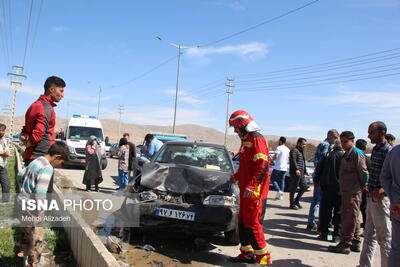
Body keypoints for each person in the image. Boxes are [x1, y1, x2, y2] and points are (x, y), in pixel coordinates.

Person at [228, 110, 271, 265]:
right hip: (245, 189)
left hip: (254, 191)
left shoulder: (257, 140)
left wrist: (252, 185)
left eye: (235, 128)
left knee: (253, 224)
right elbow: (246, 166)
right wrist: (235, 177)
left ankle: (263, 259)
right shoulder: (247, 140)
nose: (235, 131)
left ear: (243, 125)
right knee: (243, 222)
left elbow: (263, 166)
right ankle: (246, 254)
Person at [17, 141, 69, 267]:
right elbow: (40, 193)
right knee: (36, 243)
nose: (59, 165)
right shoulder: (47, 168)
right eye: (60, 162)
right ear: (57, 156)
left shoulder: (37, 160)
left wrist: (26, 188)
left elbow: (20, 175)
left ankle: (25, 260)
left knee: (26, 238)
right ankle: (33, 264)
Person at [329, 131, 369, 254]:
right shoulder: (346, 154)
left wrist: (364, 186)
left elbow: (364, 172)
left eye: (346, 141)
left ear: (352, 140)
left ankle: (345, 244)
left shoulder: (356, 153)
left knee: (348, 218)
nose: (343, 144)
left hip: (353, 191)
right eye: (342, 141)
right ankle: (355, 242)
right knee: (353, 217)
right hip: (346, 190)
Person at [359, 122, 392, 267]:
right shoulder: (376, 149)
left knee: (384, 239)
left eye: (371, 132)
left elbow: (394, 177)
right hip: (371, 199)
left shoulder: (389, 151)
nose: (368, 136)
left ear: (381, 133)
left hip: (382, 200)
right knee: (368, 236)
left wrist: (383, 190)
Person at [20, 76, 66, 166]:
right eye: (61, 91)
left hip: (32, 157)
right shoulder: (45, 107)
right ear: (52, 89)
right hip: (41, 158)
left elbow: (26, 130)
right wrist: (28, 144)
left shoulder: (34, 105)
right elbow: (38, 134)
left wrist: (24, 138)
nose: (63, 95)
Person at [307, 129, 339, 231]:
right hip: (321, 177)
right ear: (329, 135)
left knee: (319, 201)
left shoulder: (328, 145)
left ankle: (317, 222)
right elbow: (322, 162)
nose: (335, 139)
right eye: (334, 137)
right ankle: (312, 223)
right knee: (318, 200)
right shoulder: (325, 145)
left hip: (321, 176)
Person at [314, 141, 344, 242]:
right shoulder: (344, 156)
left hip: (327, 187)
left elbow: (319, 169)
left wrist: (316, 181)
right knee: (339, 212)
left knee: (325, 211)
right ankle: (337, 235)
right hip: (340, 189)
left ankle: (324, 233)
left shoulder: (327, 155)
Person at [380, 143, 400, 267]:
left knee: (396, 249)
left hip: (396, 208)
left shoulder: (393, 151)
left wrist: (395, 199)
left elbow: (384, 178)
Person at [289, 138, 308, 210]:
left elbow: (303, 162)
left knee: (304, 187)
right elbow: (293, 160)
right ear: (298, 143)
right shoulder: (294, 150)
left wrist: (305, 170)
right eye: (303, 144)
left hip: (302, 173)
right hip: (295, 173)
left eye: (305, 144)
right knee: (293, 188)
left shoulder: (301, 151)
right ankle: (291, 204)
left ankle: (296, 201)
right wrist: (297, 169)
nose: (304, 146)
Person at [356, 139, 370, 230]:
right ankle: (365, 225)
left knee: (362, 207)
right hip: (362, 186)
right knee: (363, 207)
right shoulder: (364, 157)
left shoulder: (357, 156)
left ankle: (365, 225)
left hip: (359, 186)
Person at [0, 123, 11, 203]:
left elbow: (7, 150)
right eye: (0, 130)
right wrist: (2, 153)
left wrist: (7, 152)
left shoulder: (4, 140)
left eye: (3, 130)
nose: (1, 132)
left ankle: (5, 202)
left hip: (2, 165)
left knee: (6, 184)